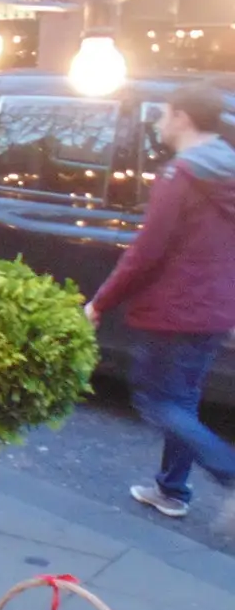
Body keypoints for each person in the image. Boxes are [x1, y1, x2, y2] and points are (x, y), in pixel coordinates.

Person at [86, 83, 235, 527]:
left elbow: (145, 253)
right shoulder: (228, 170)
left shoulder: (181, 175)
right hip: (214, 311)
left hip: (175, 311)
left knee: (155, 401)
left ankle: (228, 471)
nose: (158, 123)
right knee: (183, 402)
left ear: (183, 118)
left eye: (164, 114)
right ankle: (171, 491)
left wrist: (100, 303)